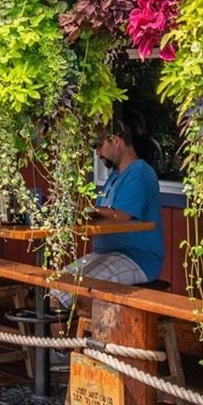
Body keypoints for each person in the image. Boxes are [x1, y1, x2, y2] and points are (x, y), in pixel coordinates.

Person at [53, 117, 164, 306]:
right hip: (104, 255)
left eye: (99, 145)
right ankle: (66, 336)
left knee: (75, 295)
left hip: (136, 258)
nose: (97, 153)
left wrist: (80, 207)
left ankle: (91, 335)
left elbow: (120, 216)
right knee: (56, 288)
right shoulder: (114, 176)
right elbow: (100, 213)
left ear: (116, 141)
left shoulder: (140, 172)